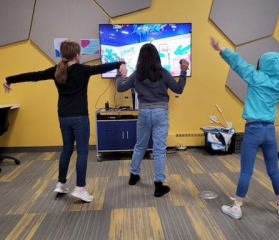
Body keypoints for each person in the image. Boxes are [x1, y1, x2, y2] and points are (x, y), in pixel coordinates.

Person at [3, 40, 126, 202]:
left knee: (67, 149)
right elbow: (102, 68)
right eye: (80, 53)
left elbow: (33, 76)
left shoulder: (56, 70)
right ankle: (80, 188)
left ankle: (61, 184)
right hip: (80, 118)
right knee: (82, 152)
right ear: (76, 55)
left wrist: (9, 79)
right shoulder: (83, 70)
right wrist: (121, 63)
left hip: (63, 117)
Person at [210, 36, 279, 219]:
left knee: (246, 171)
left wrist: (221, 49)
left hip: (253, 130)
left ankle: (236, 207)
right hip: (269, 131)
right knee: (273, 169)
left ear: (263, 64)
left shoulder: (255, 77)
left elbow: (238, 63)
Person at [116, 43, 189, 197]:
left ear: (140, 58)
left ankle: (133, 175)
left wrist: (119, 74)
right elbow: (179, 89)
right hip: (160, 112)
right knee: (159, 150)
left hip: (143, 112)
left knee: (140, 146)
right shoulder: (164, 73)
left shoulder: (137, 74)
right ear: (157, 57)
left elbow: (120, 88)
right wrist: (183, 71)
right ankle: (158, 184)